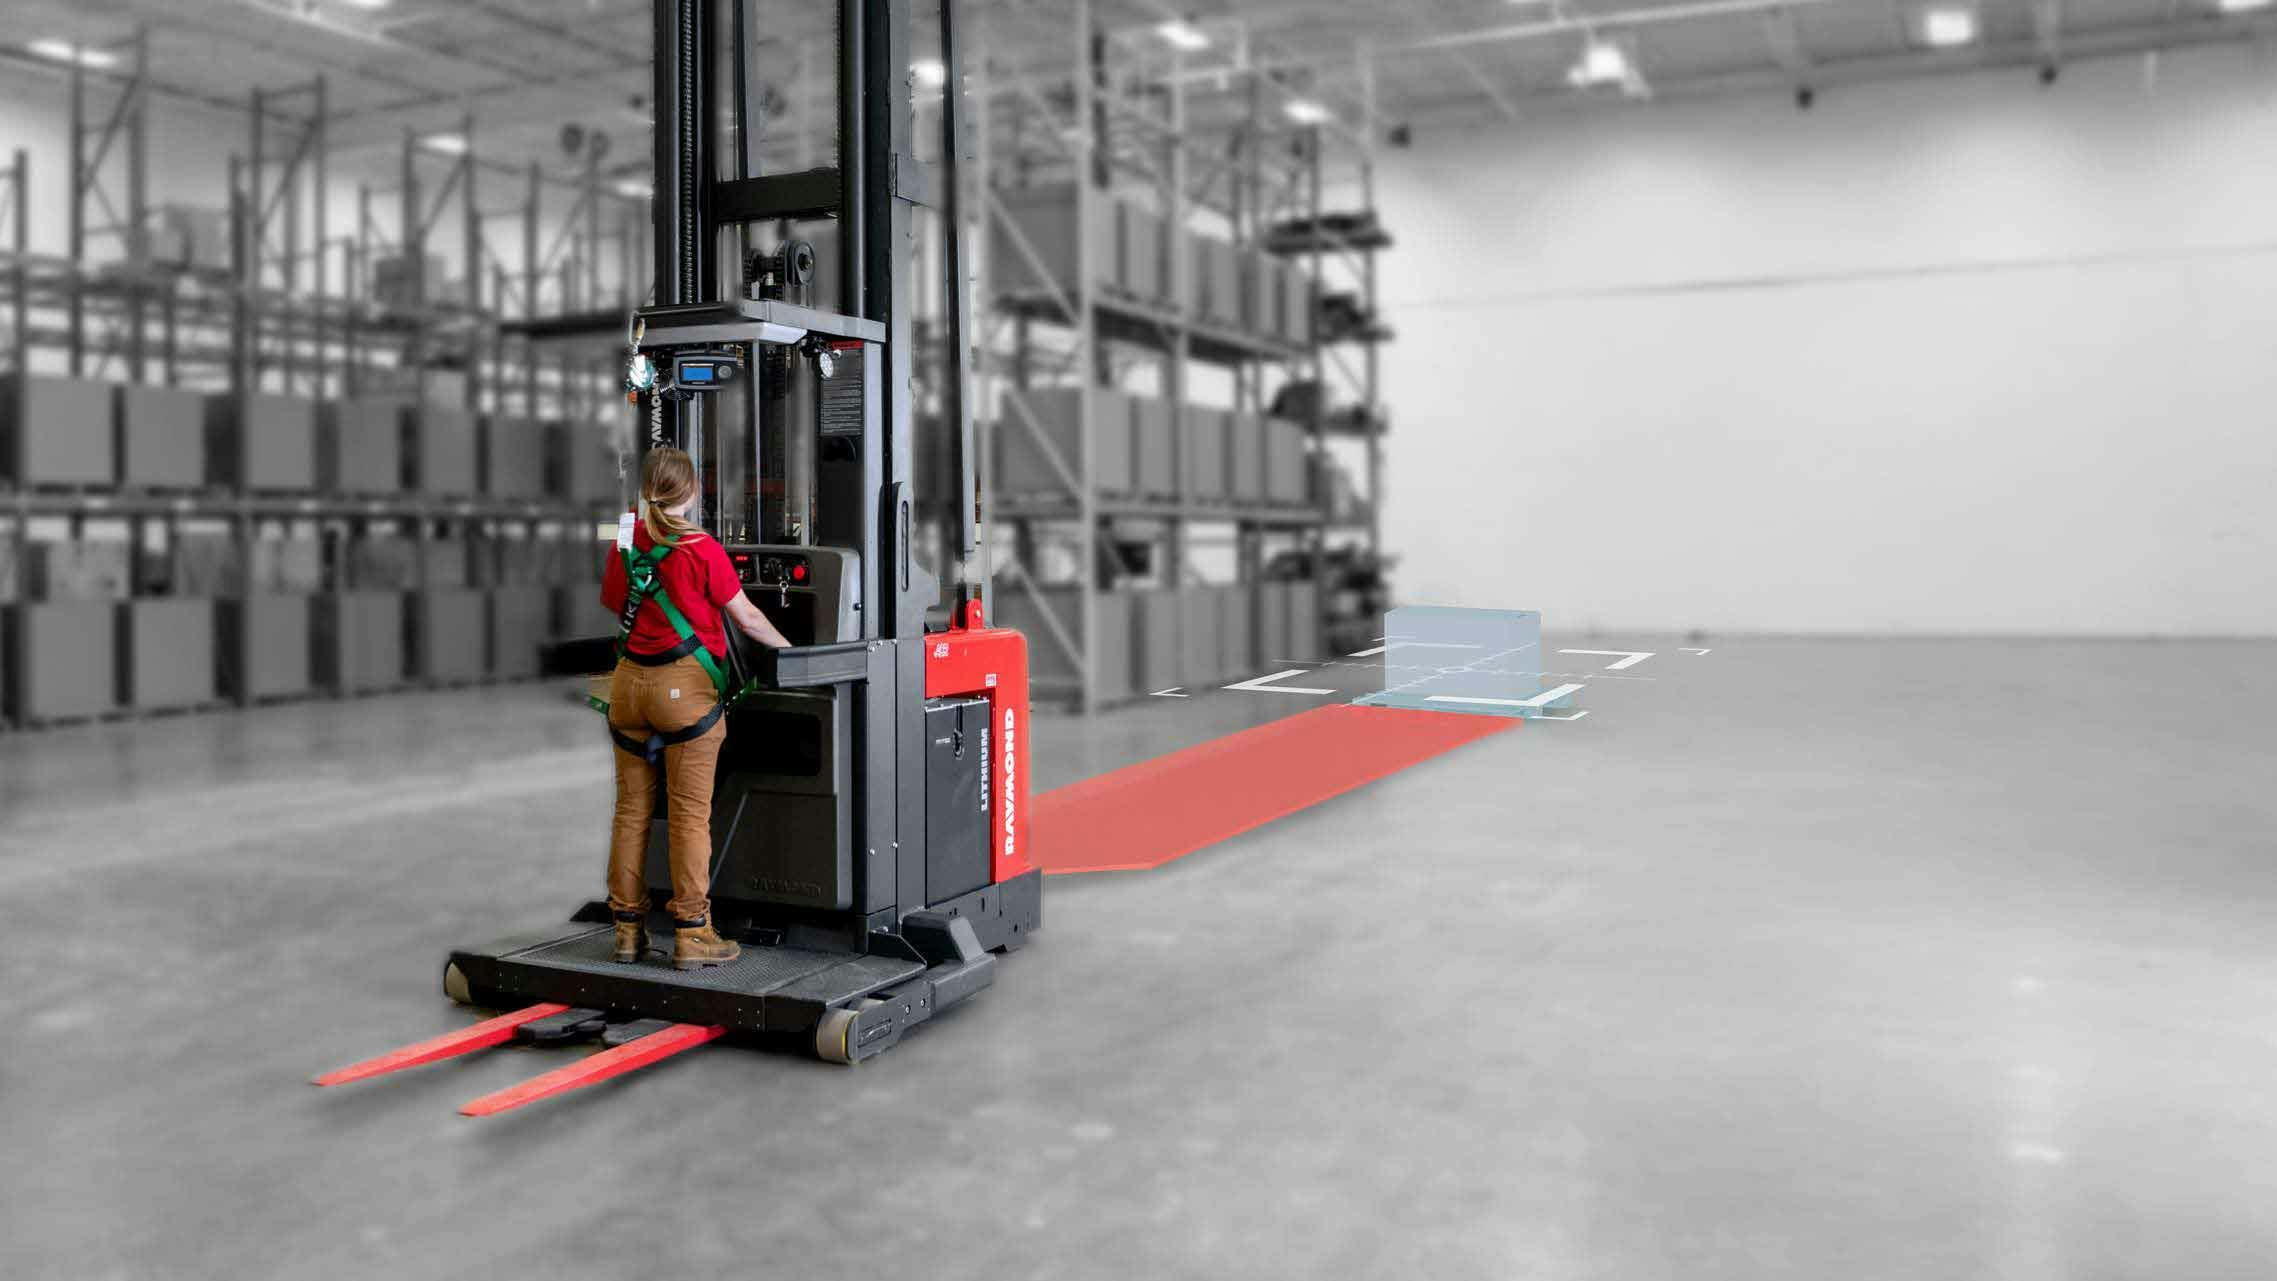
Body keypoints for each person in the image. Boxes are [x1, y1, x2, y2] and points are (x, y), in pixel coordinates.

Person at [599, 447, 790, 970]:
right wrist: (796, 656)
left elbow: (616, 603)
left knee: (631, 812)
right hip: (685, 695)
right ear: (691, 491)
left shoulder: (625, 537)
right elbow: (748, 618)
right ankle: (692, 933)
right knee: (688, 815)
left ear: (646, 489)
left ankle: (627, 932)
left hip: (628, 688)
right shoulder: (701, 547)